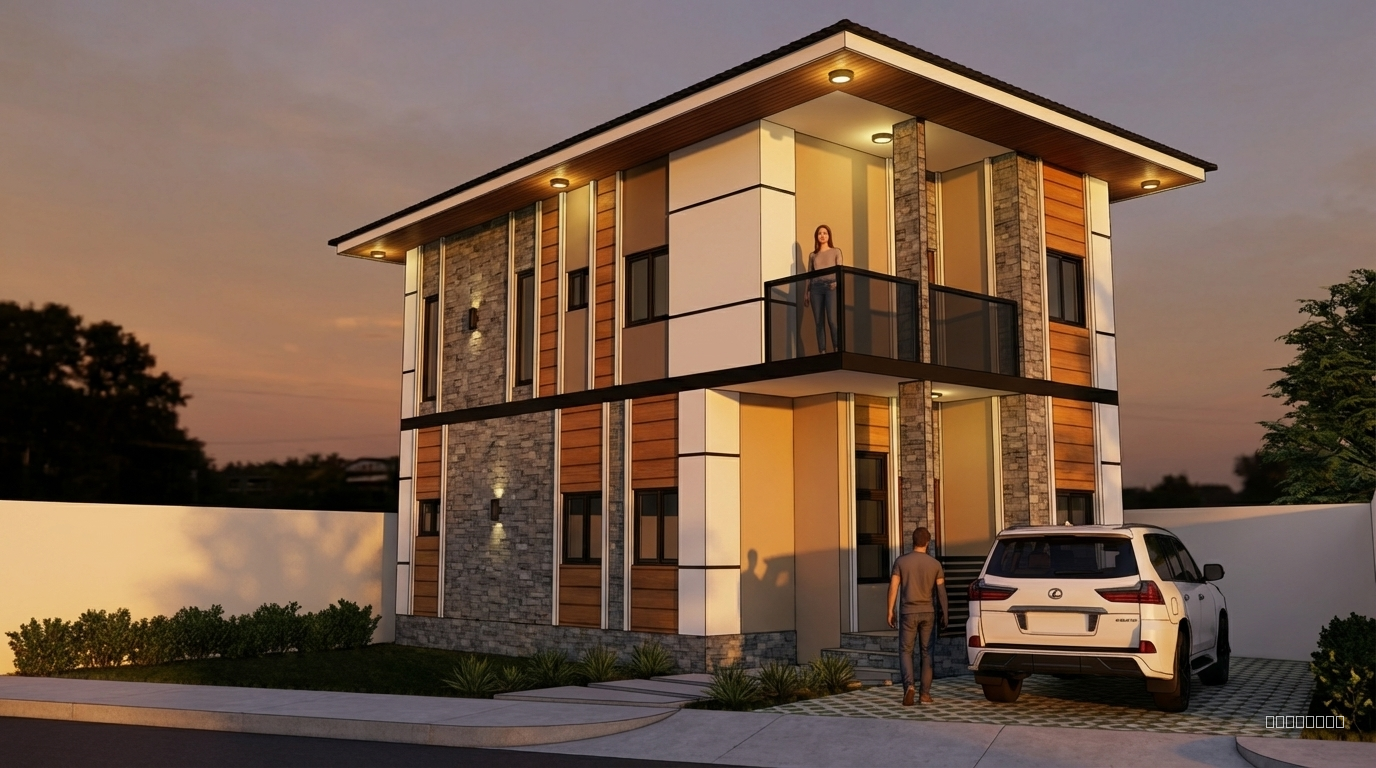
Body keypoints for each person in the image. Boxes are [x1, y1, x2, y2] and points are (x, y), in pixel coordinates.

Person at [887, 526, 948, 706]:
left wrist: (890, 610)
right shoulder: (935, 564)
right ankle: (925, 695)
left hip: (908, 612)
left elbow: (893, 587)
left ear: (913, 541)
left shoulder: (901, 562)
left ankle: (909, 687)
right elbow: (941, 591)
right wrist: (946, 612)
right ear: (927, 543)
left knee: (906, 651)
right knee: (926, 652)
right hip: (928, 612)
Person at [802, 224, 842, 353]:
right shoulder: (813, 255)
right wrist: (806, 292)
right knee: (819, 321)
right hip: (816, 288)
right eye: (820, 233)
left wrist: (836, 283)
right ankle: (822, 351)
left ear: (829, 236)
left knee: (832, 319)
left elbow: (840, 270)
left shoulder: (836, 251)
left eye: (825, 233)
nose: (822, 235)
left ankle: (837, 348)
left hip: (831, 286)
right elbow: (809, 274)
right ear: (816, 237)